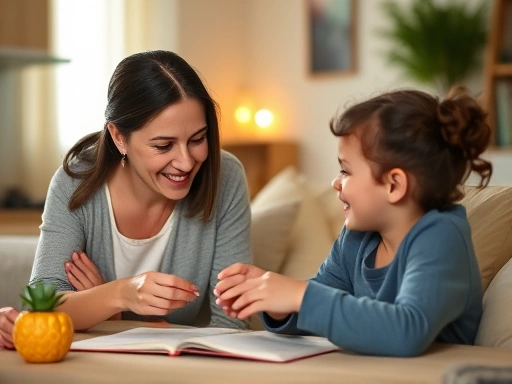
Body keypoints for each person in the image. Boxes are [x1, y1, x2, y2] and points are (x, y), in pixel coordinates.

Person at [214, 86, 493, 357]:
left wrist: (300, 294)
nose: (336, 182)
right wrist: (276, 299)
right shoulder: (357, 239)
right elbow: (323, 309)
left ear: (394, 184)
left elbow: (407, 330)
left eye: (345, 170)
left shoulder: (441, 236)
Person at [0, 50, 251, 349]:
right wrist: (121, 293)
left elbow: (232, 325)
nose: (185, 162)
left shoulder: (226, 177)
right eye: (164, 145)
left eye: (197, 139)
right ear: (119, 137)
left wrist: (111, 315)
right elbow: (42, 307)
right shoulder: (75, 182)